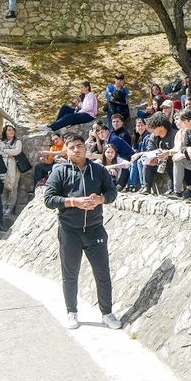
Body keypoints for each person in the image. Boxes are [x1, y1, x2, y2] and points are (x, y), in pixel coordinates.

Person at [44, 134, 121, 331]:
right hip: (69, 230)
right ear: (67, 151)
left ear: (85, 149)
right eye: (72, 147)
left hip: (95, 229)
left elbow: (112, 193)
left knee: (102, 273)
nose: (76, 150)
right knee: (70, 273)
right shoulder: (59, 171)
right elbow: (49, 199)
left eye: (80, 146)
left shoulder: (99, 170)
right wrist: (72, 202)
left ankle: (107, 313)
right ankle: (72, 312)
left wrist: (100, 200)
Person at [0, 124, 25, 212]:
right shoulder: (0, 142)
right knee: (4, 187)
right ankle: (3, 206)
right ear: (5, 131)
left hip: (15, 168)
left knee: (13, 187)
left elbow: (17, 151)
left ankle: (10, 207)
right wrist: (8, 154)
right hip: (3, 167)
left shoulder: (17, 142)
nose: (11, 131)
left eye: (12, 130)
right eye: (9, 130)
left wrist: (4, 150)